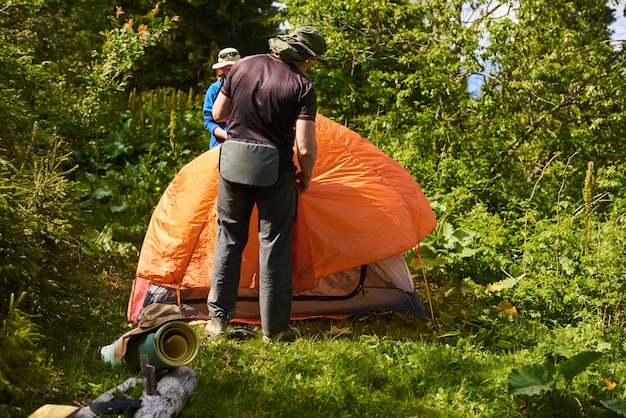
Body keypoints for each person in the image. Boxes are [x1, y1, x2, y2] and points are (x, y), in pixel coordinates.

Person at [205, 26, 329, 342]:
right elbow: (304, 146)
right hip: (275, 173)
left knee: (228, 240)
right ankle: (274, 330)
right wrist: (307, 175)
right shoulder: (302, 86)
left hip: (232, 165)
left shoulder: (244, 65)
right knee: (273, 245)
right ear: (306, 58)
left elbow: (219, 112)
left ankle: (217, 323)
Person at [203, 47, 241, 149]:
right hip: (220, 145)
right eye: (227, 69)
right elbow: (209, 121)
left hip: (245, 143)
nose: (231, 72)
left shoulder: (249, 87)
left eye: (234, 68)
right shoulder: (214, 89)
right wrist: (226, 135)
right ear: (222, 70)